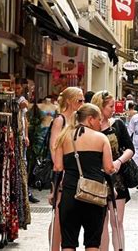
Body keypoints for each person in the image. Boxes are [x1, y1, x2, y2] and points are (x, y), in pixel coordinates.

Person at [53, 103, 115, 250]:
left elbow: (58, 167)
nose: (101, 123)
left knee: (68, 242)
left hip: (70, 194)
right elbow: (109, 168)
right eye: (99, 120)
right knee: (92, 243)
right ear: (90, 119)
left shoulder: (63, 138)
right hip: (94, 195)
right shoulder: (101, 138)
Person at [91, 91, 135, 251]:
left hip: (117, 179)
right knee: (101, 223)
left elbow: (130, 148)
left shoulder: (117, 124)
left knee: (117, 222)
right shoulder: (90, 127)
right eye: (110, 106)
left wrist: (119, 161)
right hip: (96, 180)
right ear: (100, 106)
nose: (114, 109)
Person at [48, 86, 85, 251]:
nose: (83, 103)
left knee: (68, 215)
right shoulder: (60, 120)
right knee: (58, 215)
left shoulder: (78, 120)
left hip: (74, 173)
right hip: (62, 172)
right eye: (80, 100)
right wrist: (60, 171)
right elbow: (54, 147)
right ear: (70, 101)